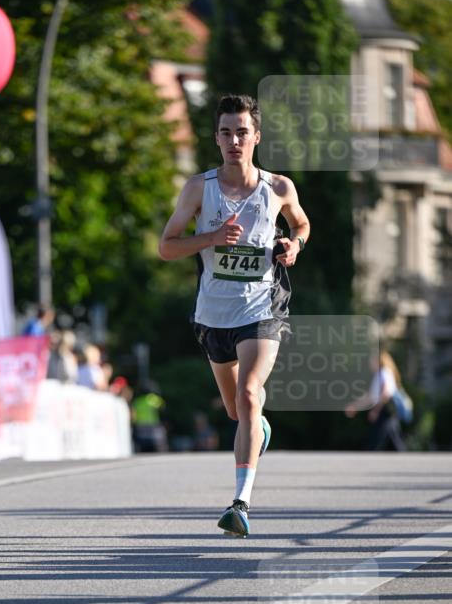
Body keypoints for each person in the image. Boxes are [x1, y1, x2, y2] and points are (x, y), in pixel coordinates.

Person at [159, 93, 310, 538]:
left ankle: (240, 504)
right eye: (225, 132)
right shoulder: (197, 189)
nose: (233, 140)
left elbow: (300, 223)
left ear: (256, 137)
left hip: (262, 307)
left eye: (242, 132)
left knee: (248, 392)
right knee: (236, 409)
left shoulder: (278, 188)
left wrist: (293, 246)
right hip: (212, 314)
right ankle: (256, 425)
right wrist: (211, 238)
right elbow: (167, 246)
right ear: (216, 138)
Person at [345, 351, 408, 451]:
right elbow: (371, 396)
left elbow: (385, 393)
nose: (370, 363)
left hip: (385, 410)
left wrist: (376, 410)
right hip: (386, 411)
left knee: (375, 441)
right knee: (394, 441)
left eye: (372, 361)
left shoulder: (383, 373)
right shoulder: (379, 375)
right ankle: (406, 461)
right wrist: (355, 405)